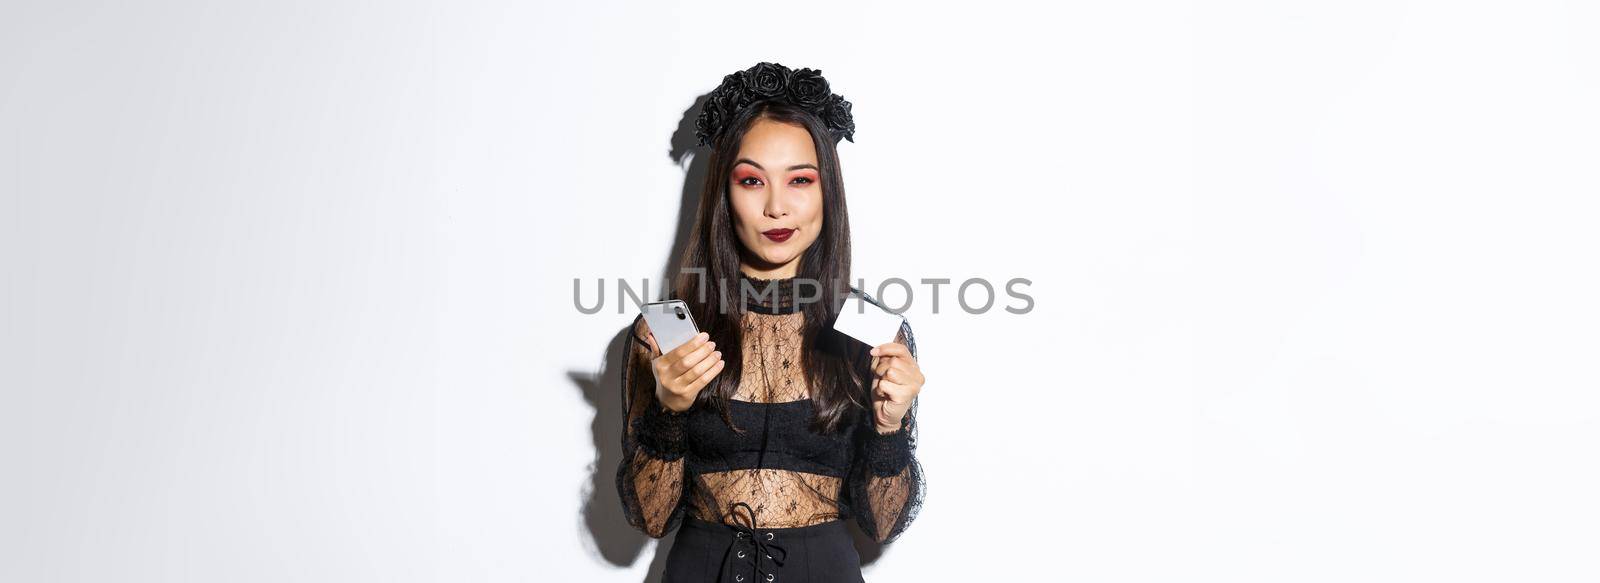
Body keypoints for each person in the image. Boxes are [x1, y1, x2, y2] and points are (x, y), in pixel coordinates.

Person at [616, 62, 927, 583]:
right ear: (724, 192)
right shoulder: (672, 328)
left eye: (800, 180)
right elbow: (650, 519)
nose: (777, 207)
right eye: (753, 180)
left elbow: (883, 524)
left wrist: (889, 427)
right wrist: (667, 413)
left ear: (827, 191)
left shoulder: (868, 327)